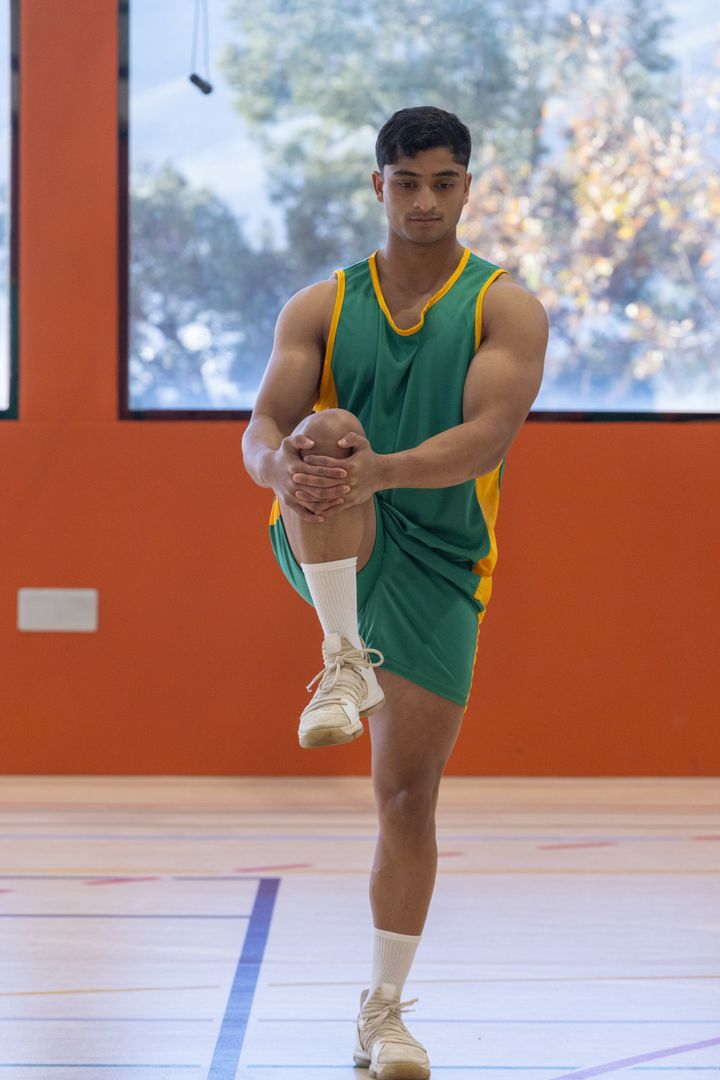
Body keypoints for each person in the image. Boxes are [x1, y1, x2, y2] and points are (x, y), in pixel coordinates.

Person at [242, 105, 548, 1080]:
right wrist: (272, 471)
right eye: (406, 181)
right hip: (333, 522)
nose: (424, 199)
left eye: (443, 182)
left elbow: (484, 442)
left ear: (466, 187)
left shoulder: (505, 305)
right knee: (323, 431)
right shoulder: (321, 305)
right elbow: (263, 431)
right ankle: (340, 656)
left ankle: (382, 1017)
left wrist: (383, 472)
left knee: (407, 798)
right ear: (377, 186)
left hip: (444, 551)